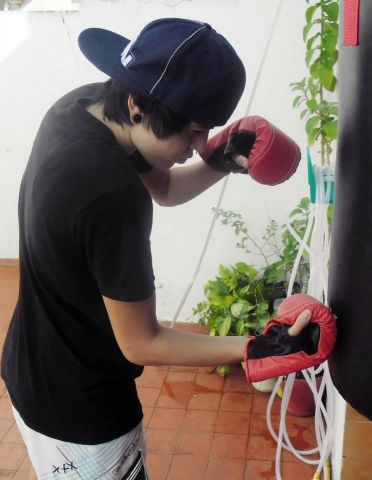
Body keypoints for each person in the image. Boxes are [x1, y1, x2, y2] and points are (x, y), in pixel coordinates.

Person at [1, 18, 311, 480]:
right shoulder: (111, 192)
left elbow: (164, 189)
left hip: (31, 365)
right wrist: (258, 347)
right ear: (138, 103)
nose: (200, 146)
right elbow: (142, 342)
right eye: (193, 131)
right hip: (81, 410)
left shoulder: (82, 106)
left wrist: (221, 162)